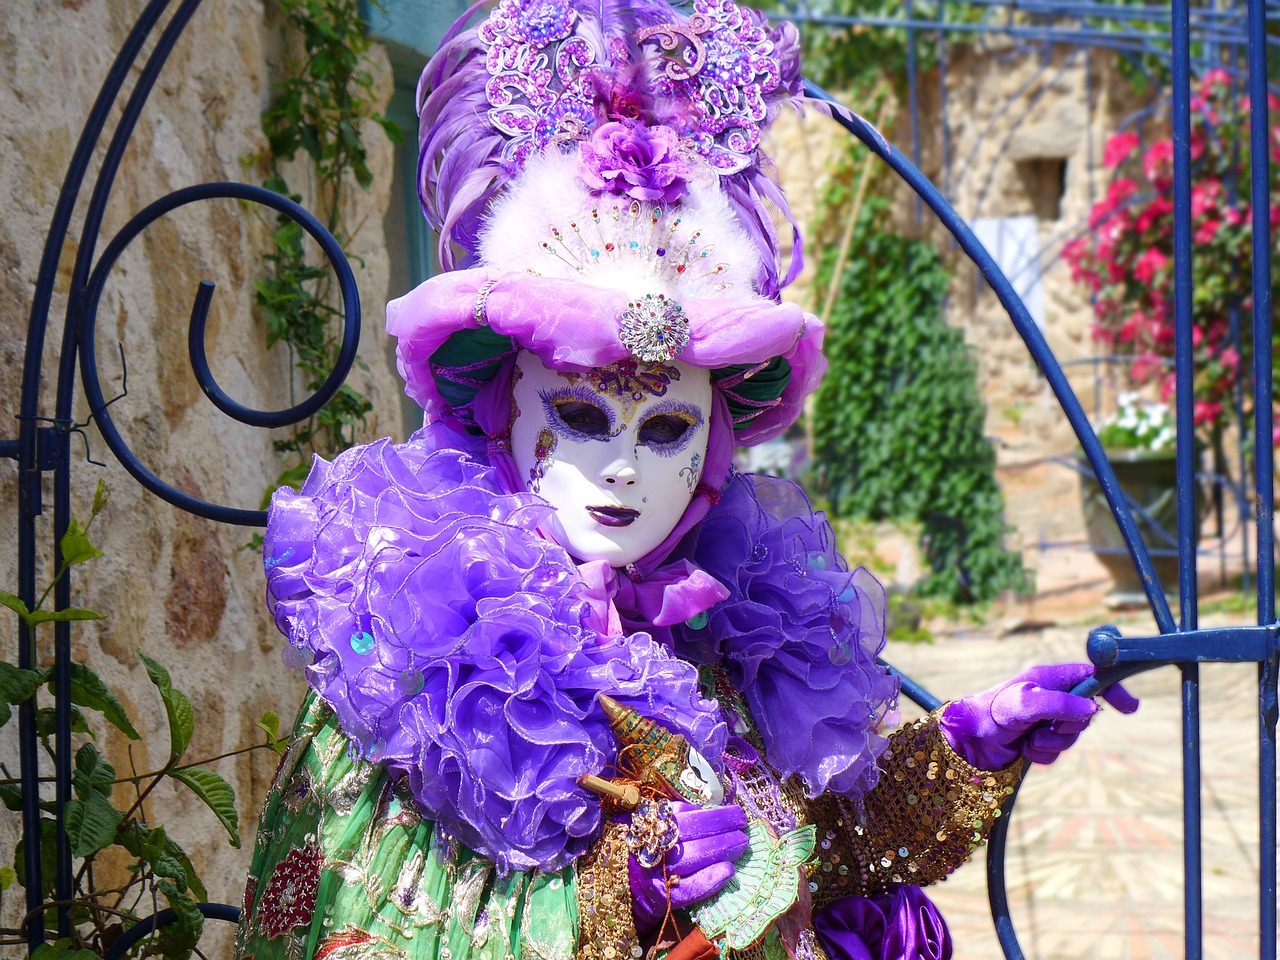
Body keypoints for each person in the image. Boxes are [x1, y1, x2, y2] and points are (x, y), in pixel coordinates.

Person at [233, 3, 1136, 958]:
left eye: (668, 430)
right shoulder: (420, 651)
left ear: (714, 449)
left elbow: (820, 860)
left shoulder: (729, 624)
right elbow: (351, 922)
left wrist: (971, 745)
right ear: (502, 410)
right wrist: (619, 895)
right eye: (580, 417)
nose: (623, 466)